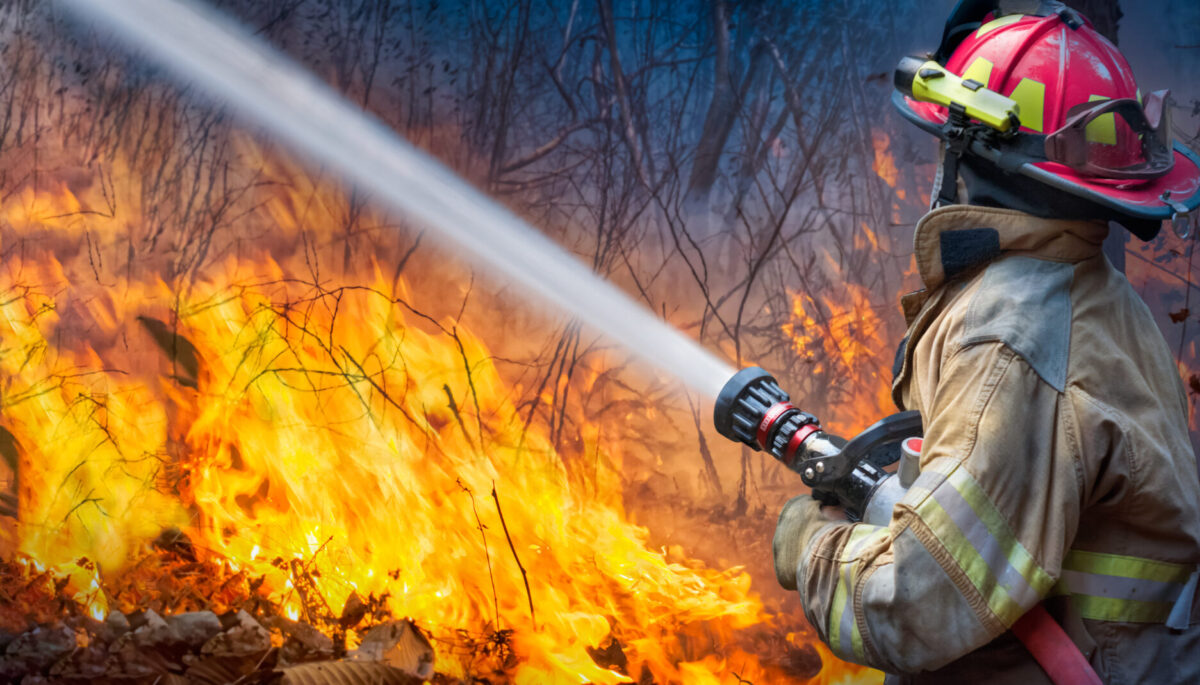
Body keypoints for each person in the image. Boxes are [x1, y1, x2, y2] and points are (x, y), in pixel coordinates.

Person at [770, 1, 1200, 682]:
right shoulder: (1091, 292)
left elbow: (915, 600)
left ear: (969, 151)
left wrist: (810, 545)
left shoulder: (1012, 339)